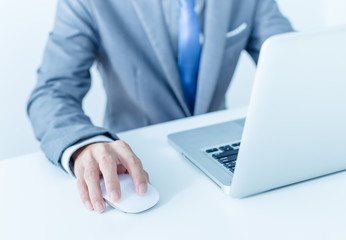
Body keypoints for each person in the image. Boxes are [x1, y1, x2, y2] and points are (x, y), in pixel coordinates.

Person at [27, 0, 293, 213]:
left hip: (220, 157)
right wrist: (85, 143)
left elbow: (294, 61)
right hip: (138, 163)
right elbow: (52, 91)